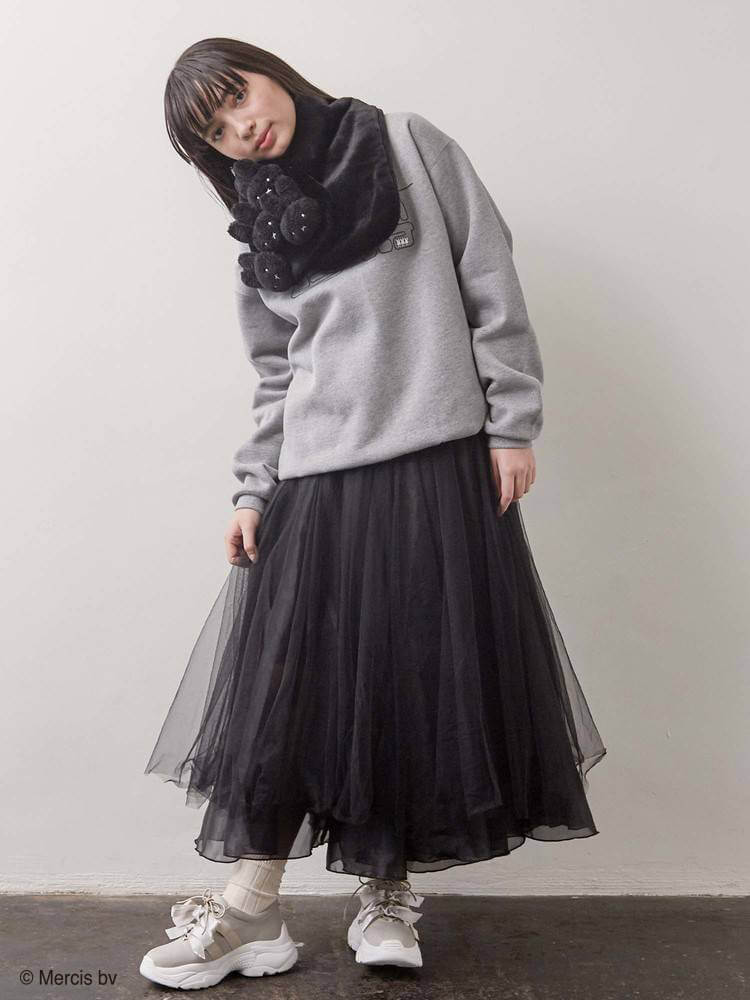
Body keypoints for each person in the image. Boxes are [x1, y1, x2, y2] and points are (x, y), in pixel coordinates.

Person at [140, 36, 607, 989]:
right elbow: (277, 372)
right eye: (217, 131)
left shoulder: (404, 143)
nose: (243, 127)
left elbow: (490, 277)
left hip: (437, 461)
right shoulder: (259, 225)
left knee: (414, 681)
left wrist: (511, 424)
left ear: (272, 72)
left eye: (240, 97)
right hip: (316, 479)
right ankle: (252, 910)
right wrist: (252, 487)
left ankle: (386, 896)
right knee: (288, 695)